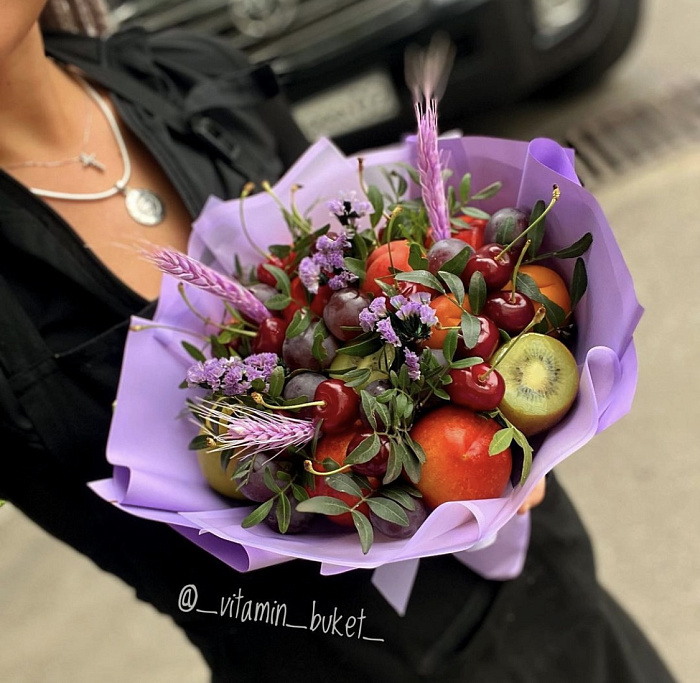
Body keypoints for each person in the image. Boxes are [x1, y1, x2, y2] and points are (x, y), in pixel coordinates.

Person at [0, 2, 677, 682]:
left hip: (547, 587)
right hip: (333, 657)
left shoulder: (188, 73)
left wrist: (513, 439)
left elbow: (380, 250)